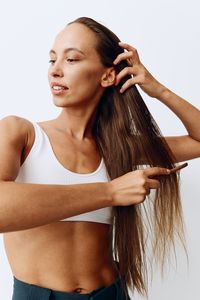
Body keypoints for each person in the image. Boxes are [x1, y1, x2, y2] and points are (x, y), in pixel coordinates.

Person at [0, 16, 199, 300]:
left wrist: (158, 90)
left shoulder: (118, 147)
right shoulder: (21, 134)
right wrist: (110, 192)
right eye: (52, 60)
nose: (55, 71)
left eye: (72, 59)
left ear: (108, 76)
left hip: (112, 293)